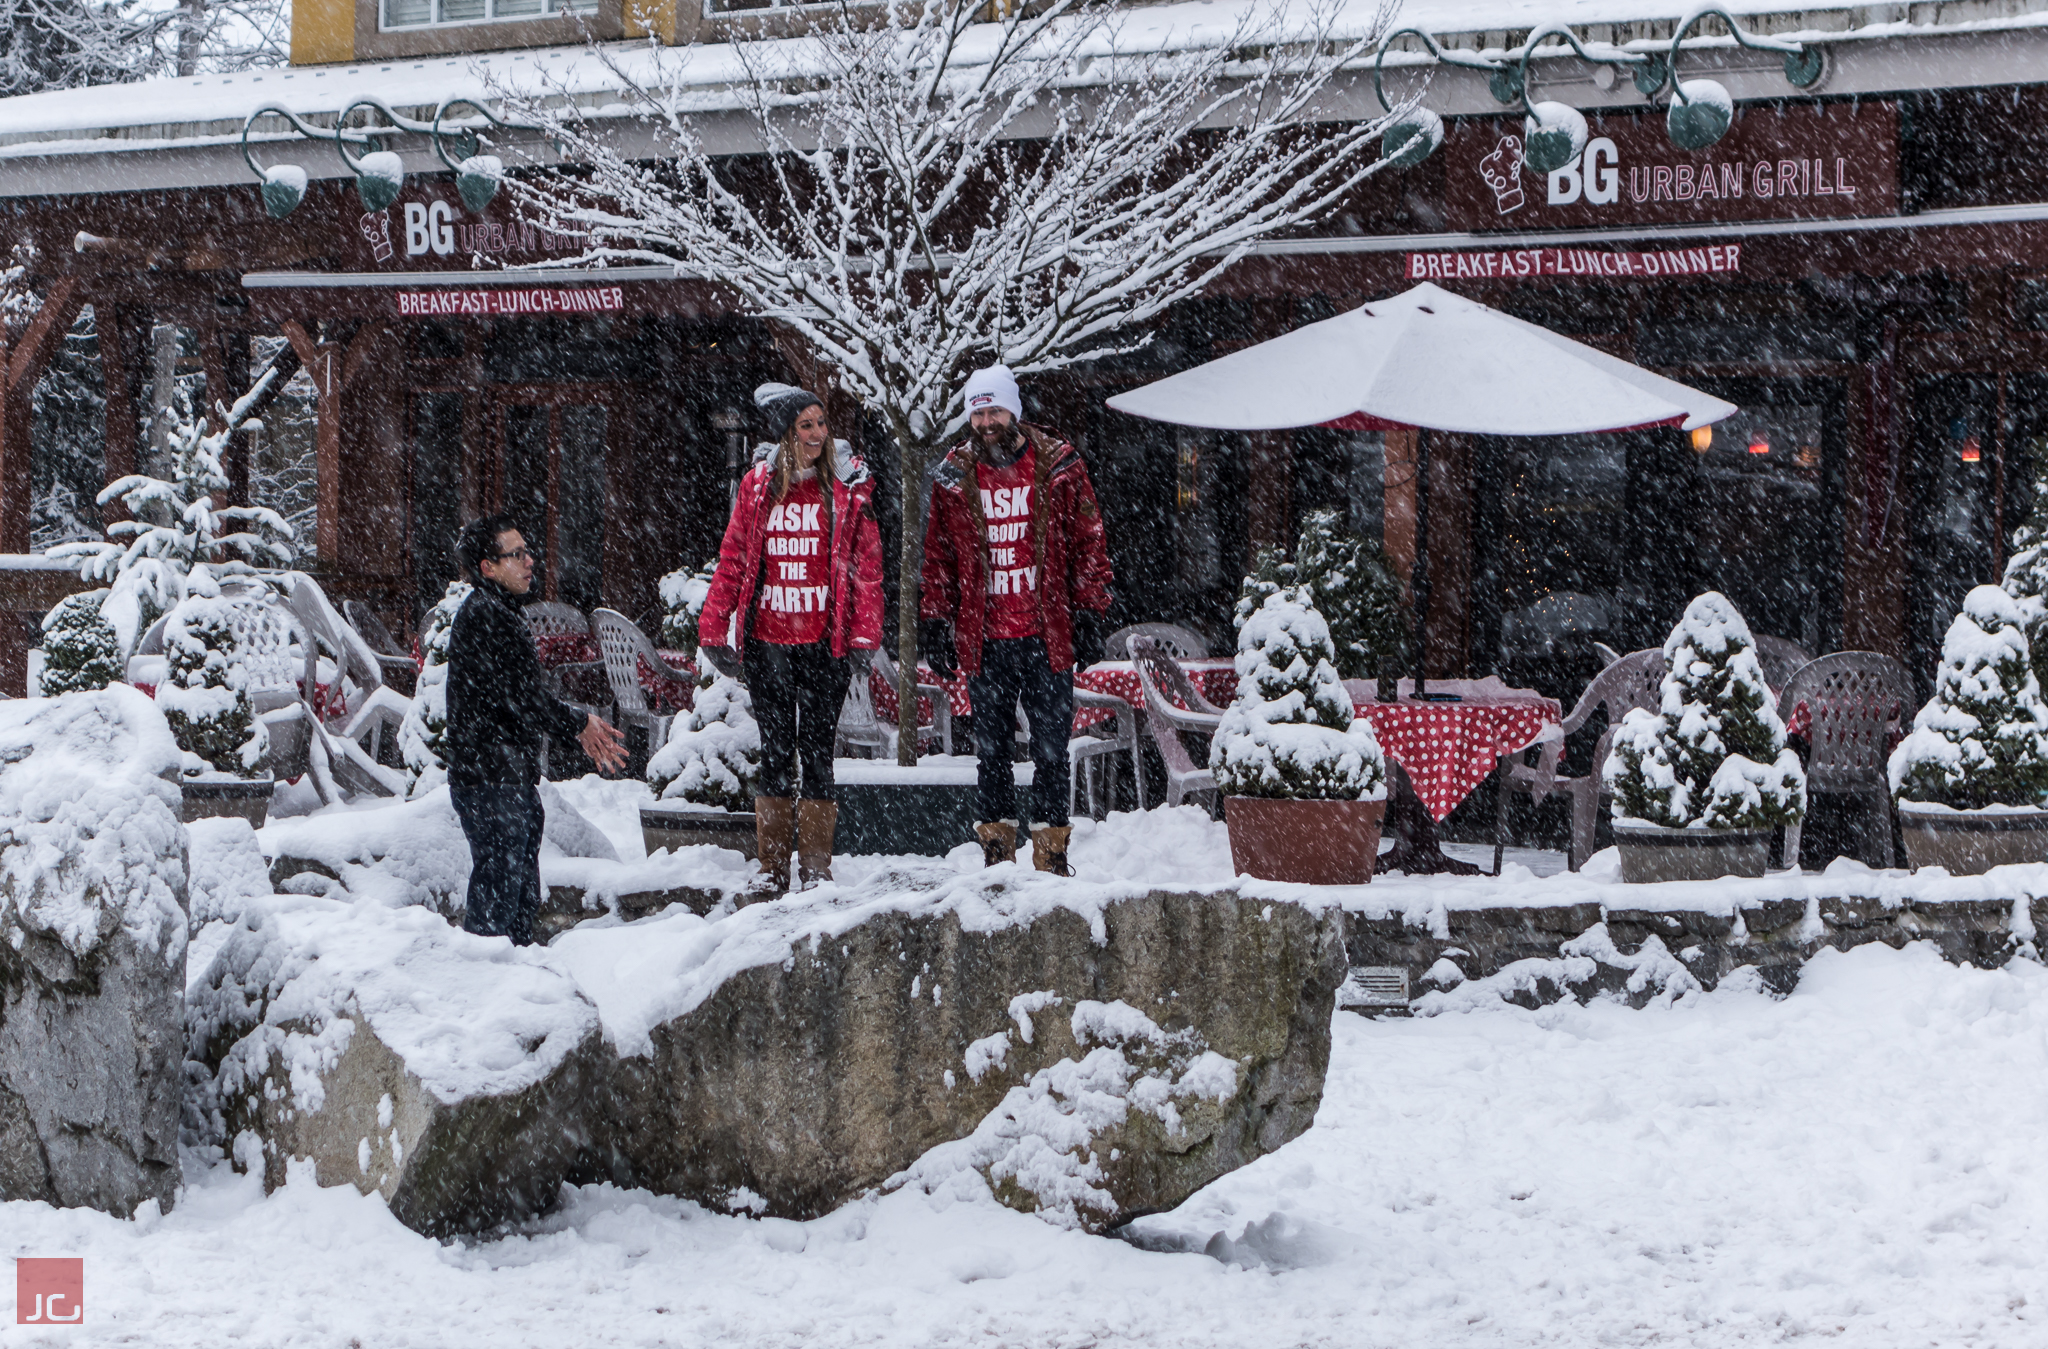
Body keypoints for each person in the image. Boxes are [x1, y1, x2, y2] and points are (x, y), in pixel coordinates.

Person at [919, 363, 1114, 876]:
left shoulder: (1059, 464)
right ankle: (997, 858)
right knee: (992, 753)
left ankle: (1052, 859)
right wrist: (935, 619)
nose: (987, 422)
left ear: (1015, 410)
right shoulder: (953, 472)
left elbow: (1088, 541)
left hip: (1045, 632)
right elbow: (938, 553)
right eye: (978, 412)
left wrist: (1090, 609)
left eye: (995, 410)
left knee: (1051, 751)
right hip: (984, 636)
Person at [698, 383, 884, 893]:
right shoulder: (757, 487)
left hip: (825, 642)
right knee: (777, 750)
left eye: (822, 424)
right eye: (807, 425)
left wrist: (866, 635)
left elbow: (866, 568)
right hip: (768, 641)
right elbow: (734, 558)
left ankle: (817, 867)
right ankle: (772, 867)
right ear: (786, 433)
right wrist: (715, 627)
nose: (819, 434)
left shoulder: (845, 489)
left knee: (819, 751)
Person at [446, 514, 627, 945]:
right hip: (490, 778)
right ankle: (485, 986)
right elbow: (521, 699)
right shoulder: (487, 616)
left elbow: (518, 699)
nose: (530, 561)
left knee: (520, 901)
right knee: (499, 904)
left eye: (528, 551)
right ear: (488, 567)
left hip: (506, 776)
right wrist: (579, 724)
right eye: (516, 554)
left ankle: (516, 984)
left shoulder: (499, 611)